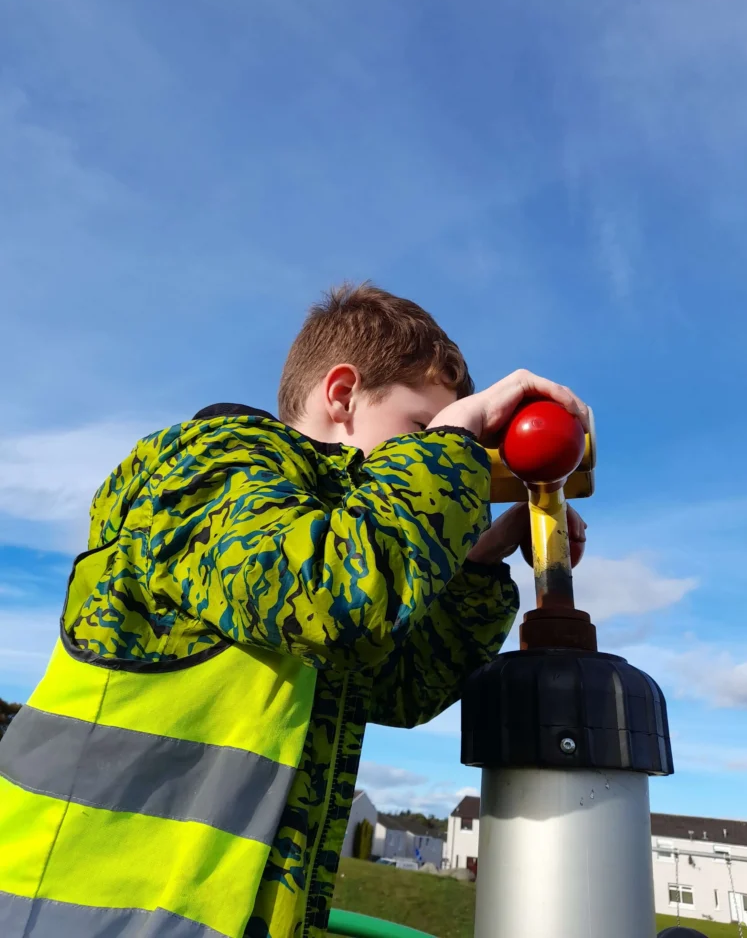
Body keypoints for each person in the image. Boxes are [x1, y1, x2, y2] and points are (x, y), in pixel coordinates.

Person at [0, 283, 588, 938]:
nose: (436, 453)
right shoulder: (205, 466)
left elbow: (399, 687)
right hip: (69, 912)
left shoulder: (333, 539)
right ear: (341, 396)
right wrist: (452, 446)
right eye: (419, 427)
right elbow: (338, 602)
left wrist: (476, 566)